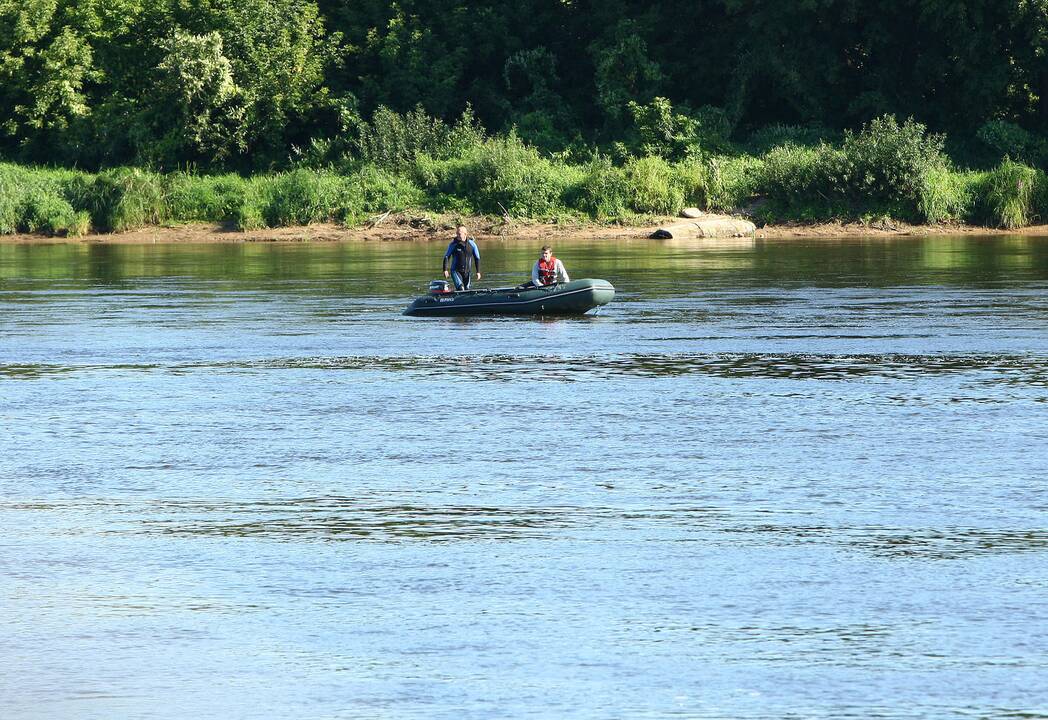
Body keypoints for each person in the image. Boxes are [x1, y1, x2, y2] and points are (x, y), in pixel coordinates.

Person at [442, 225, 481, 290]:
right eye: (457, 233)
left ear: (465, 234)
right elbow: (446, 257)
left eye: (459, 234)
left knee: (467, 289)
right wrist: (445, 270)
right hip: (456, 271)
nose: (457, 235)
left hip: (467, 272)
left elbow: (477, 258)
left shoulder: (472, 244)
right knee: (461, 288)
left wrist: (478, 272)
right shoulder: (453, 244)